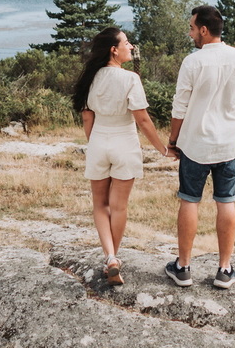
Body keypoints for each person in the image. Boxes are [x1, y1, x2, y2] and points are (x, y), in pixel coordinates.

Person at [165, 4, 235, 290]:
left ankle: (183, 267)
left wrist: (173, 141)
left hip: (195, 145)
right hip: (229, 145)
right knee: (226, 201)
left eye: (192, 28)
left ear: (204, 31)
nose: (190, 33)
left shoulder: (192, 62)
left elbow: (179, 108)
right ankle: (225, 269)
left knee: (189, 200)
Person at [72, 27, 172, 285]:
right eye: (127, 43)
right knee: (118, 207)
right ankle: (113, 258)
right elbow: (142, 119)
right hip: (124, 143)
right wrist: (162, 148)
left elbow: (86, 116)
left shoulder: (90, 78)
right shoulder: (130, 79)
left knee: (99, 206)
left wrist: (93, 142)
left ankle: (110, 258)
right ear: (113, 49)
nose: (131, 46)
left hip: (98, 141)